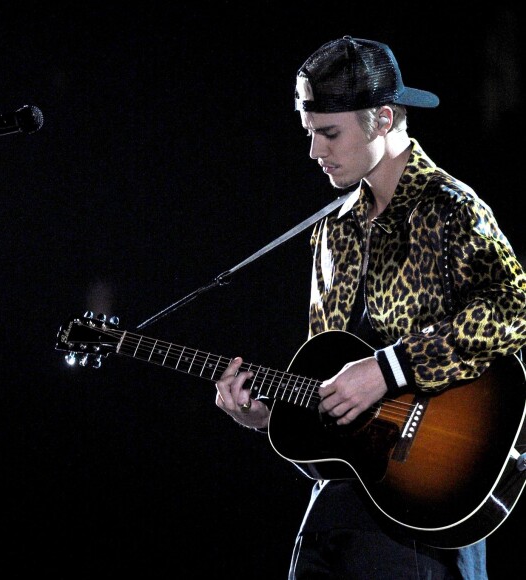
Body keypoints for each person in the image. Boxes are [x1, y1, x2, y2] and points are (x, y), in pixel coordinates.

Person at [214, 36, 526, 579]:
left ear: (383, 118)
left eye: (329, 133)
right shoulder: (332, 232)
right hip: (338, 512)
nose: (315, 151)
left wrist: (388, 370)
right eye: (310, 133)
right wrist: (268, 420)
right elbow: (337, 403)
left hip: (426, 520)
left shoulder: (449, 208)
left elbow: (512, 309)